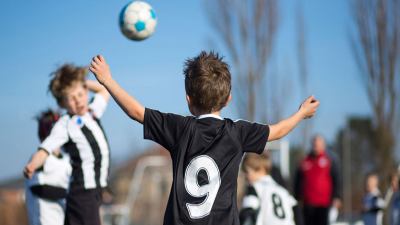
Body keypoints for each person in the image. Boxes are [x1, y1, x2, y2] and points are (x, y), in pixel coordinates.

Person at [89, 52, 319, 225]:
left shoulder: (179, 128)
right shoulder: (237, 132)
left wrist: (107, 80)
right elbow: (277, 130)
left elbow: (137, 112)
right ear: (228, 99)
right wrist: (300, 113)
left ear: (188, 99)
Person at [23, 64, 110, 225]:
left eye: (80, 94)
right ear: (62, 104)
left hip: (96, 190)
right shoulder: (65, 124)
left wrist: (83, 82)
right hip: (83, 192)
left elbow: (105, 91)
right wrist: (33, 164)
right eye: (71, 98)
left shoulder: (92, 111)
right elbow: (45, 148)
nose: (78, 100)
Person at [25, 109, 72, 225]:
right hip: (43, 220)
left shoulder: (67, 159)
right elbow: (37, 188)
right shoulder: (38, 159)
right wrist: (70, 195)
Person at [294, 135, 341, 225]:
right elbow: (298, 181)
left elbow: (336, 179)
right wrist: (297, 197)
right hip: (307, 204)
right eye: (314, 144)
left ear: (323, 145)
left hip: (324, 204)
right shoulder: (305, 161)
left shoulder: (329, 160)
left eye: (318, 144)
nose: (316, 146)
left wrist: (337, 197)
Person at [240, 153, 297, 225]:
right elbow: (296, 209)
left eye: (247, 171)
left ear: (260, 170)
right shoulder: (282, 190)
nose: (245, 175)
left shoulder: (254, 188)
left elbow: (247, 213)